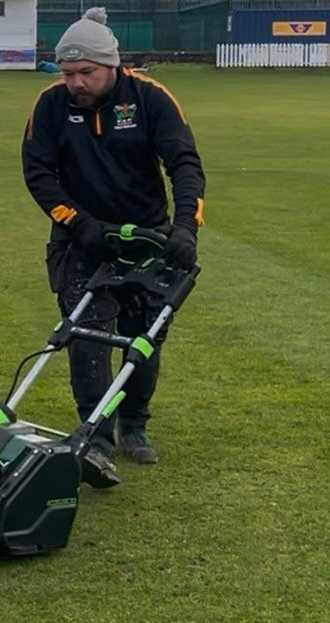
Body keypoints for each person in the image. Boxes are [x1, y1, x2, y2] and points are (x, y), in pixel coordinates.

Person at [21, 7, 205, 470]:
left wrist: (184, 227)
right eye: (68, 73)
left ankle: (135, 423)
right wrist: (78, 223)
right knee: (87, 336)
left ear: (112, 65)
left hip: (147, 236)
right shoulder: (50, 105)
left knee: (144, 337)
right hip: (81, 238)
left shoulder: (150, 98)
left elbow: (184, 164)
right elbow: (39, 173)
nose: (76, 83)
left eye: (86, 72)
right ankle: (95, 435)